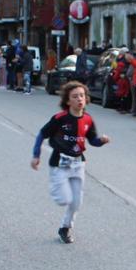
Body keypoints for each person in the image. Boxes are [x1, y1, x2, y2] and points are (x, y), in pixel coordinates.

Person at [31, 81, 111, 244]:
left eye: (82, 95)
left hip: (78, 163)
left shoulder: (88, 119)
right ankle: (55, 186)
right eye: (75, 97)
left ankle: (65, 228)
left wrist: (101, 140)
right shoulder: (60, 118)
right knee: (64, 199)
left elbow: (92, 141)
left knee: (76, 202)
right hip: (60, 163)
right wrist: (36, 155)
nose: (79, 99)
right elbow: (42, 134)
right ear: (68, 101)